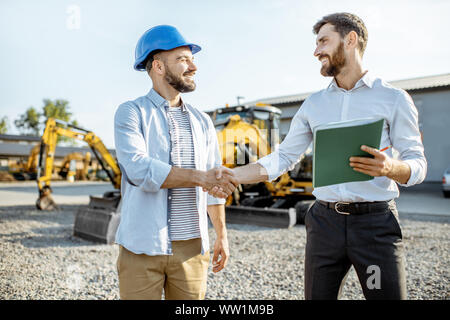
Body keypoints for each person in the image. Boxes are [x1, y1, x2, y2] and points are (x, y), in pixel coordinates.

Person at [211, 13, 426, 299]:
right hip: (325, 224)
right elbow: (283, 157)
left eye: (324, 41)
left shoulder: (394, 98)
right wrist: (234, 174)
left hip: (375, 225)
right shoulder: (314, 104)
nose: (316, 51)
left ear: (351, 40)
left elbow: (418, 164)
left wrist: (391, 168)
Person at [114, 25, 237, 300]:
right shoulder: (131, 113)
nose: (193, 66)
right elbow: (138, 169)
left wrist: (222, 235)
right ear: (158, 66)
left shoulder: (202, 121)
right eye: (183, 59)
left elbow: (214, 183)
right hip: (141, 247)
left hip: (192, 250)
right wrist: (200, 178)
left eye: (192, 59)